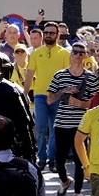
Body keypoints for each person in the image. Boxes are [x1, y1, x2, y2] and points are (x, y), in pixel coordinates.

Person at [48, 41, 99, 196]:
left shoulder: (91, 78)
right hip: (62, 121)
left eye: (81, 52)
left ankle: (77, 194)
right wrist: (64, 91)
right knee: (59, 159)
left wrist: (79, 103)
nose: (78, 55)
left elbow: (96, 102)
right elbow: (49, 99)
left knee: (80, 160)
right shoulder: (60, 75)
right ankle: (65, 181)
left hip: (81, 124)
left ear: (85, 56)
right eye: (75, 52)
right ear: (70, 55)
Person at [27, 21, 70, 171]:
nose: (48, 35)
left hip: (58, 96)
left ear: (58, 35)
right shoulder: (36, 53)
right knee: (41, 127)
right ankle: (42, 158)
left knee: (55, 129)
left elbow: (67, 75)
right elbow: (29, 74)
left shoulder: (65, 53)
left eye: (51, 33)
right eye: (46, 33)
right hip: (40, 95)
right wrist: (25, 93)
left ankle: (52, 160)